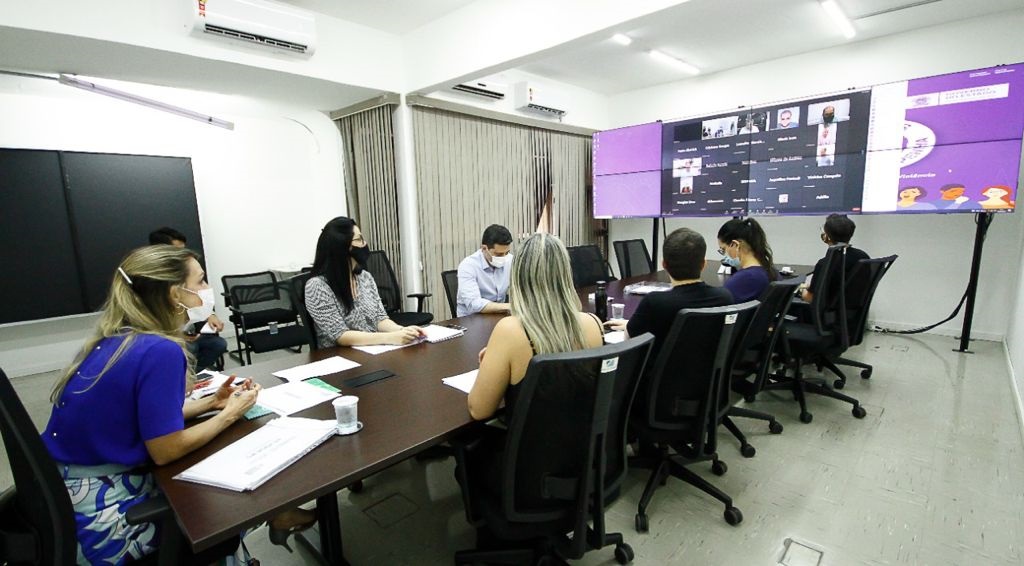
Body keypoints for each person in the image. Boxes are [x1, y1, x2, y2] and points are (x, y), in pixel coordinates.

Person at [41, 245, 262, 564]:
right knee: (229, 505)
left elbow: (141, 418)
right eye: (200, 282)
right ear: (175, 294)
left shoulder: (116, 339)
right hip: (109, 519)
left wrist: (211, 402)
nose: (206, 290)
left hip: (68, 500)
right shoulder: (160, 351)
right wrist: (229, 414)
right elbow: (166, 449)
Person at [467, 232, 604, 421]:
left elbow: (479, 410)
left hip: (530, 449)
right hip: (585, 447)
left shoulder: (509, 331)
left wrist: (488, 367)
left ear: (518, 275)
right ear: (566, 274)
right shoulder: (594, 323)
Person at [603, 227, 733, 357]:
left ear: (664, 265)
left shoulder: (655, 303)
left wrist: (630, 325)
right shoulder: (724, 298)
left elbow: (630, 341)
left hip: (654, 377)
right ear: (704, 264)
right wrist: (632, 323)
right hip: (708, 375)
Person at [305, 216, 424, 348]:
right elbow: (340, 335)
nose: (364, 244)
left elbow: (379, 318)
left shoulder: (364, 277)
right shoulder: (317, 286)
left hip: (371, 350)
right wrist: (389, 337)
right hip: (339, 356)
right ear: (342, 246)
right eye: (359, 239)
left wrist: (402, 331)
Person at [148, 226, 227, 371]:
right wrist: (179, 335)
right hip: (173, 339)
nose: (183, 256)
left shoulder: (190, 269)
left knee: (218, 344)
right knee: (188, 348)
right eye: (177, 251)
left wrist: (210, 314)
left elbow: (195, 297)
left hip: (193, 332)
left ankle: (197, 374)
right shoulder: (154, 285)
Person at [800, 214, 870, 304]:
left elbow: (810, 298)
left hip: (828, 314)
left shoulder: (825, 264)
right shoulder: (863, 256)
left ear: (827, 236)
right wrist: (809, 286)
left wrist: (801, 290)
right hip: (853, 313)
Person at [456, 224, 513, 317]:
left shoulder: (510, 260)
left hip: (499, 315)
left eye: (507, 253)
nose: (504, 258)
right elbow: (474, 304)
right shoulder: (468, 265)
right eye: (499, 254)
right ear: (484, 248)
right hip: (471, 319)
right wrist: (510, 306)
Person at [717, 217, 778, 303]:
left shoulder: (743, 280)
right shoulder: (772, 272)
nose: (725, 254)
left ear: (735, 244)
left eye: (723, 249)